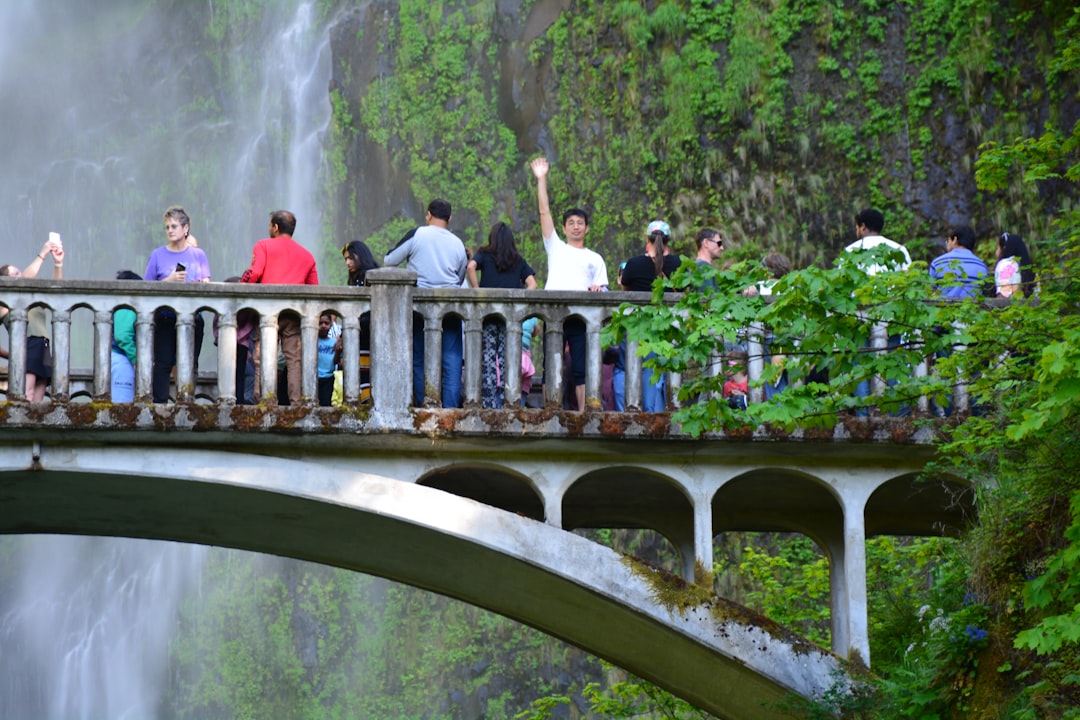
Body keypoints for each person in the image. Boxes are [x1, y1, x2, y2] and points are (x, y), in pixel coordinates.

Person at [530, 157, 608, 411]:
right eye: (571, 223)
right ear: (564, 228)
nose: (576, 227)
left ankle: (585, 413)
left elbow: (604, 289)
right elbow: (544, 212)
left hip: (582, 315)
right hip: (554, 312)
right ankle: (551, 411)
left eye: (580, 224)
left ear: (586, 229)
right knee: (551, 365)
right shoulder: (556, 247)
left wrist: (599, 291)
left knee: (582, 367)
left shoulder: (594, 258)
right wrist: (541, 179)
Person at [384, 199, 468, 408]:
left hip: (419, 309)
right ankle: (449, 410)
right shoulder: (458, 243)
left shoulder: (418, 234)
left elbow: (389, 260)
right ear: (450, 218)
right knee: (452, 360)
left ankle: (425, 406)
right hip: (450, 308)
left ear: (428, 214)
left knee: (419, 358)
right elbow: (460, 276)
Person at [240, 209, 319, 405]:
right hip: (293, 313)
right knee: (294, 360)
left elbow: (256, 273)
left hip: (268, 312)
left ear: (275, 227)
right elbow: (314, 289)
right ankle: (296, 402)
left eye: (270, 226)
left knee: (263, 357)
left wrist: (242, 283)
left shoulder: (263, 245)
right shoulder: (307, 256)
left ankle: (264, 400)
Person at [843, 209, 910, 415]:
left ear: (862, 226)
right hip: (893, 317)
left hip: (859, 319)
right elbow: (907, 286)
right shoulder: (899, 249)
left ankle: (863, 416)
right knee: (890, 363)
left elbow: (843, 289)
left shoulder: (851, 251)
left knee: (860, 364)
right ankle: (891, 413)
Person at [144, 206, 212, 403]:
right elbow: (145, 289)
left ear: (185, 228)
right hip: (165, 317)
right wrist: (169, 280)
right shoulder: (157, 255)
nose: (170, 230)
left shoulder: (198, 255)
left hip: (193, 318)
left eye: (174, 226)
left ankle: (186, 403)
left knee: (189, 364)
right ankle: (160, 406)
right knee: (163, 363)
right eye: (167, 227)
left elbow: (207, 285)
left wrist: (199, 286)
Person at [467, 221, 537, 408]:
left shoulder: (484, 254)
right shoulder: (518, 260)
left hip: (489, 315)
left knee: (489, 361)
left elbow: (470, 267)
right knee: (509, 359)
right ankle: (510, 402)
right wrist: (520, 302)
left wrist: (477, 290)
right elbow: (533, 284)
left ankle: (489, 404)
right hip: (510, 319)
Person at [614, 220, 681, 412]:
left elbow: (625, 290)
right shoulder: (677, 264)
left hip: (637, 327)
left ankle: (629, 412)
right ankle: (654, 415)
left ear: (647, 239)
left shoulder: (634, 264)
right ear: (668, 240)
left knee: (630, 368)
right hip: (666, 328)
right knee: (656, 373)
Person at [0, 236, 65, 401]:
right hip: (28, 344)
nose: (20, 275)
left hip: (43, 345)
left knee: (38, 399)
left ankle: (34, 427)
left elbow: (54, 292)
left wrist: (58, 264)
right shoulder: (4, 304)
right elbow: (22, 283)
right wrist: (42, 254)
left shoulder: (33, 300)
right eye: (15, 274)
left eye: (19, 272)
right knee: (26, 395)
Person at [844, 208, 911, 274]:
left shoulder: (849, 251)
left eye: (857, 228)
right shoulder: (899, 249)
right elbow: (908, 276)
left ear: (863, 227)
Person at [929, 225, 988, 299]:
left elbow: (930, 292)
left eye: (948, 241)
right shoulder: (982, 266)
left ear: (955, 240)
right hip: (972, 308)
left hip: (943, 308)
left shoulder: (937, 263)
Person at [110, 270, 142, 402]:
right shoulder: (127, 306)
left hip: (120, 359)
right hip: (123, 360)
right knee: (122, 408)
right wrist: (136, 359)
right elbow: (123, 335)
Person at [995, 231, 1035, 298]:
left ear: (1004, 248)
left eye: (998, 247)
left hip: (1013, 307)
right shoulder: (1032, 269)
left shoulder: (1005, 265)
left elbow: (1003, 295)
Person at [317, 312, 340, 407]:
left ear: (331, 325)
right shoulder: (312, 341)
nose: (323, 326)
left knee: (325, 404)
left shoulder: (334, 342)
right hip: (314, 377)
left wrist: (338, 351)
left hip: (328, 377)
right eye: (320, 323)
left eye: (326, 323)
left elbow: (336, 361)